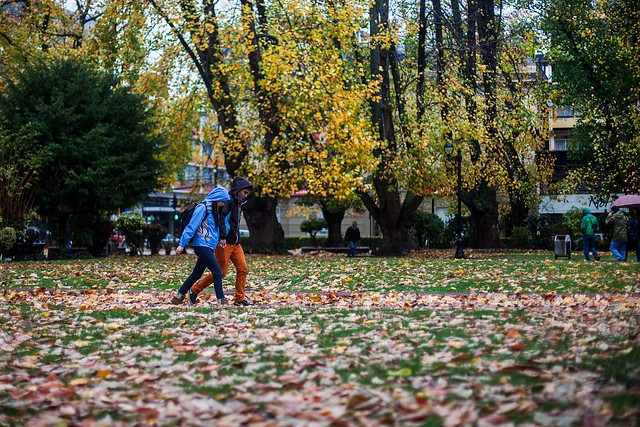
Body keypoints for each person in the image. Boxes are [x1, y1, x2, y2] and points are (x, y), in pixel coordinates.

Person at [189, 177, 254, 306]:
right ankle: (194, 290)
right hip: (224, 243)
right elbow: (221, 219)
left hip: (236, 243)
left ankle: (239, 299)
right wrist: (222, 237)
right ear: (238, 190)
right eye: (245, 193)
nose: (246, 196)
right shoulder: (228, 201)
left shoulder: (239, 203)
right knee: (221, 272)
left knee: (243, 268)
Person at [170, 186, 230, 305]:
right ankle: (221, 300)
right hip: (201, 245)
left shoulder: (215, 211)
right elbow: (192, 226)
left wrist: (220, 240)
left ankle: (178, 296)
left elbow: (214, 230)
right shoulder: (202, 208)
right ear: (216, 199)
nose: (223, 204)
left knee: (196, 274)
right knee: (217, 272)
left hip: (208, 246)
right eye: (222, 201)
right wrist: (182, 244)